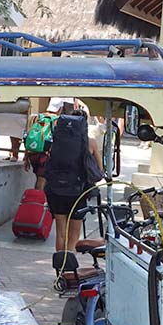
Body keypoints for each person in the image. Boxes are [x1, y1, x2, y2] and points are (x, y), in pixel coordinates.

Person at [42, 111, 103, 259]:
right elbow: (99, 170)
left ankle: (60, 268)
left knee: (61, 232)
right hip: (78, 191)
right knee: (73, 234)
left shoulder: (57, 140)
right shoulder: (90, 142)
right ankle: (69, 268)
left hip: (57, 191)